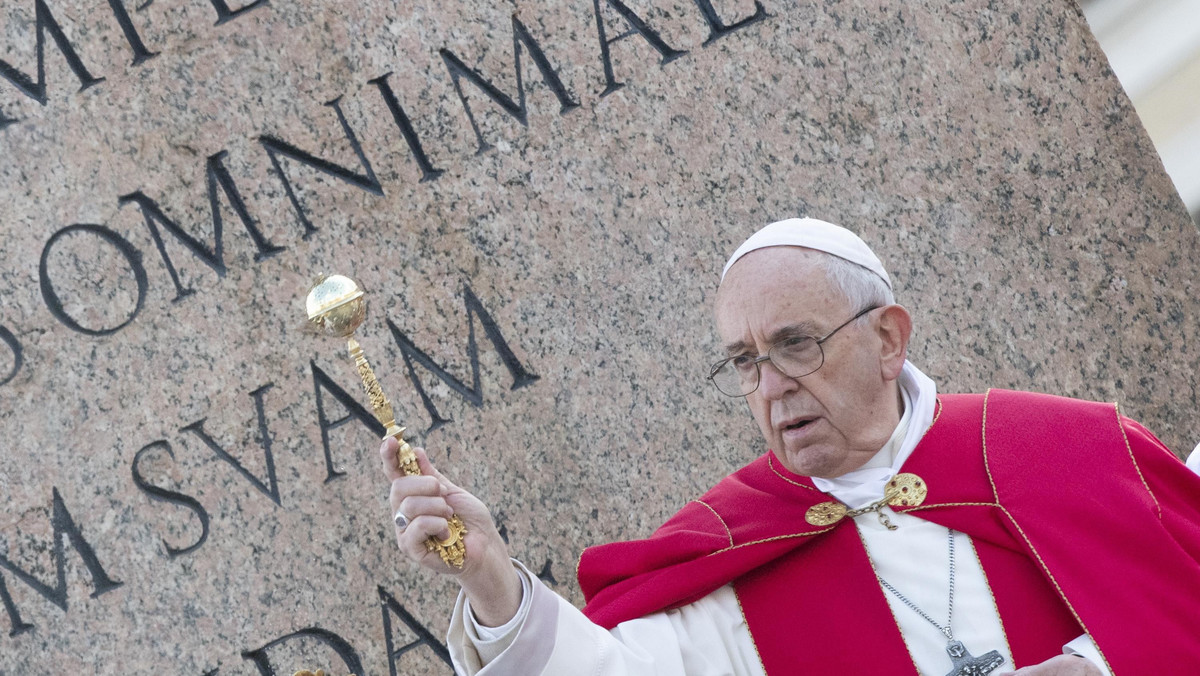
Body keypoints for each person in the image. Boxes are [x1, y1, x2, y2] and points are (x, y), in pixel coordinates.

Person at [380, 218, 1200, 676]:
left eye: (796, 344)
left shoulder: (1063, 453)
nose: (771, 386)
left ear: (887, 339)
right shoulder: (731, 552)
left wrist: (1093, 670)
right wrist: (489, 578)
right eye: (745, 362)